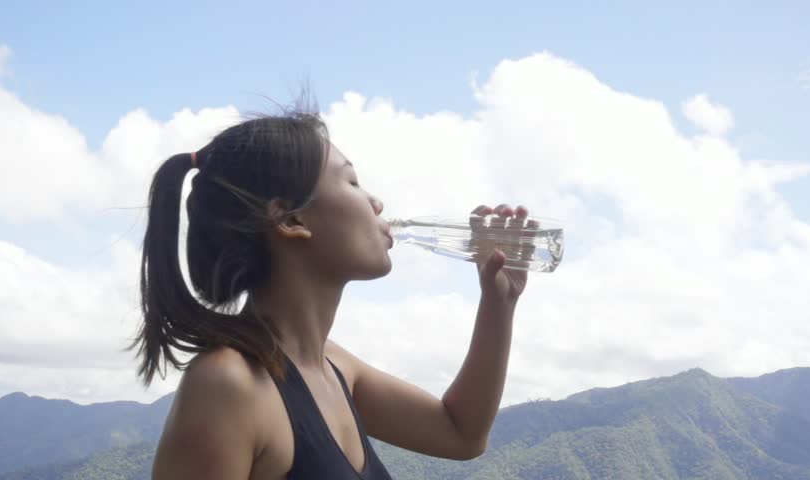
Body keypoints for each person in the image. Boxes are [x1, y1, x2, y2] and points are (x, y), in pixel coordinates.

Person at [126, 104, 530, 479]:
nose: (376, 202)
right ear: (291, 219)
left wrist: (499, 302)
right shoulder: (229, 384)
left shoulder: (331, 366)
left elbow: (461, 434)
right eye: (353, 181)